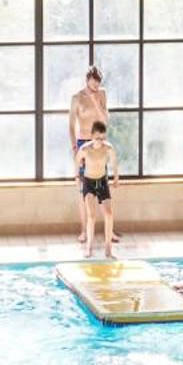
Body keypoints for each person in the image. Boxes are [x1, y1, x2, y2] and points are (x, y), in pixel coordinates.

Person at [68, 67, 110, 246]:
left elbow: (105, 120)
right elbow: (71, 125)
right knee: (84, 189)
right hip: (82, 143)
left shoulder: (101, 94)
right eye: (94, 81)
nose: (96, 84)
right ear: (87, 80)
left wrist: (95, 100)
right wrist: (74, 148)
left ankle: (109, 229)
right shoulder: (76, 98)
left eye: (98, 81)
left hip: (98, 143)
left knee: (102, 185)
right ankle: (84, 230)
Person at [75, 121, 120, 258]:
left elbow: (114, 163)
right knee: (92, 216)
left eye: (102, 138)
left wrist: (116, 178)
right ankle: (89, 248)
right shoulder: (85, 149)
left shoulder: (108, 148)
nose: (100, 141)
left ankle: (108, 249)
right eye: (97, 138)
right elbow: (77, 162)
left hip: (102, 182)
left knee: (108, 214)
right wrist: (77, 178)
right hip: (88, 182)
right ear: (91, 135)